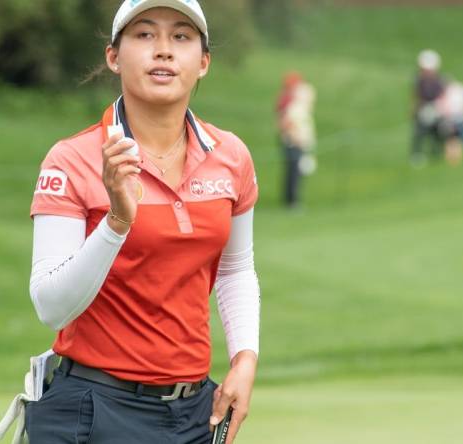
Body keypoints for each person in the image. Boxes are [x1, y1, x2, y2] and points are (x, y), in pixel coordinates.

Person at [24, 1, 260, 443]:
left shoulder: (231, 157)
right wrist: (116, 221)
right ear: (114, 56)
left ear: (203, 62)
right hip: (92, 409)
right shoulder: (72, 159)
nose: (164, 50)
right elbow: (51, 306)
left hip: (193, 413)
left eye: (182, 37)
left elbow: (235, 270)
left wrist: (245, 359)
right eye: (145, 35)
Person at [276, 71, 316, 209]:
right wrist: (295, 136)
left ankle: (293, 200)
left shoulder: (294, 102)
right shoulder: (290, 104)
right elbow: (285, 123)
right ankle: (291, 201)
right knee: (293, 173)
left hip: (297, 142)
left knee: (296, 172)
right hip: (293, 143)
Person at [411, 49, 446, 167]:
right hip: (424, 108)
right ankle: (417, 153)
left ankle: (438, 151)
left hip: (436, 108)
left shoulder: (439, 79)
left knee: (437, 131)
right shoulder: (419, 80)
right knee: (420, 131)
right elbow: (417, 95)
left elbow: (442, 95)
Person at [437, 79, 463, 166]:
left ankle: (455, 154)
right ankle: (452, 154)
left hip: (460, 120)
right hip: (449, 121)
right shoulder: (444, 94)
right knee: (452, 138)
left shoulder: (457, 92)